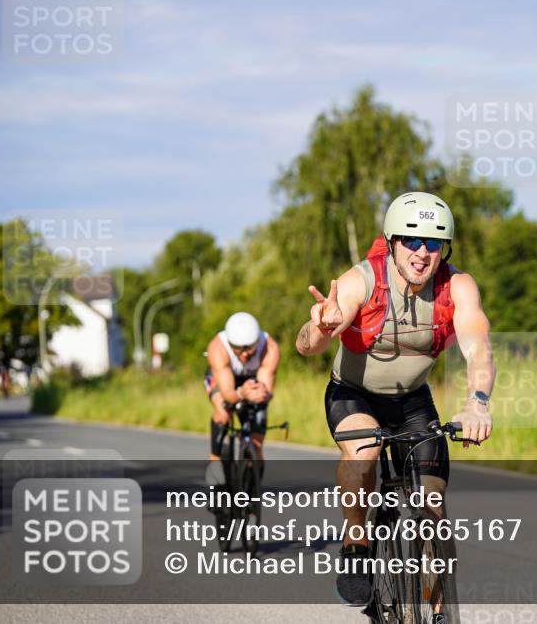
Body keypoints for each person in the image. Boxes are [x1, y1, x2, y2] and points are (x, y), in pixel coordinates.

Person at [296, 191, 495, 611]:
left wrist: (477, 402)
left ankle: (439, 614)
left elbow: (479, 350)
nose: (422, 253)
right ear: (391, 242)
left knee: (434, 512)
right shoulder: (361, 281)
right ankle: (356, 540)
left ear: (445, 249)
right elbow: (307, 347)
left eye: (434, 243)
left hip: (412, 401)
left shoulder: (457, 287)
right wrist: (319, 329)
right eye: (411, 240)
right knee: (363, 454)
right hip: (353, 395)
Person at [204, 312, 280, 486]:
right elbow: (228, 393)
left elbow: (266, 388)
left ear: (257, 342)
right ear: (230, 344)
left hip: (252, 381)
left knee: (256, 443)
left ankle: (252, 496)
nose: (245, 354)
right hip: (224, 381)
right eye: (238, 349)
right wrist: (240, 395)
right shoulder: (218, 348)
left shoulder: (270, 348)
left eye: (250, 348)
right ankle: (214, 460)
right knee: (223, 413)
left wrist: (263, 394)